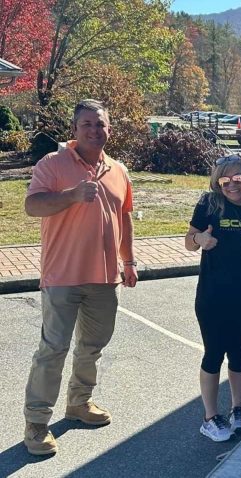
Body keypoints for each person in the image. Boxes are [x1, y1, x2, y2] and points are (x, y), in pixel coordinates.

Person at [22, 99, 138, 456]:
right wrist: (70, 196)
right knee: (53, 350)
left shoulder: (117, 169)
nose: (94, 130)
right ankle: (37, 422)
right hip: (63, 276)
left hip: (104, 277)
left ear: (109, 130)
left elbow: (125, 216)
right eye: (86, 124)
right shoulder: (52, 165)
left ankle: (79, 403)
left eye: (100, 124)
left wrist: (129, 260)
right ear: (74, 130)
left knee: (93, 346)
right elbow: (32, 206)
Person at [185, 154, 241, 442]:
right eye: (225, 180)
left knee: (240, 353)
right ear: (217, 182)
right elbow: (188, 240)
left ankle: (237, 409)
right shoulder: (209, 204)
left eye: (238, 178)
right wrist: (199, 240)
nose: (232, 185)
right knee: (214, 352)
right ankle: (210, 417)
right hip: (213, 295)